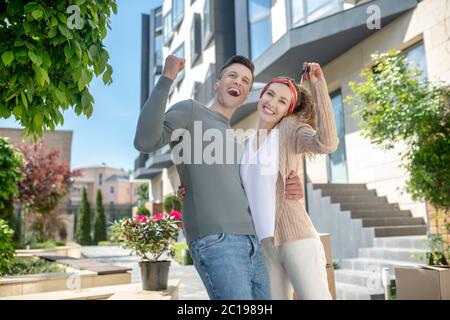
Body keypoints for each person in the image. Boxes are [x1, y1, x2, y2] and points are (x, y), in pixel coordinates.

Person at [133, 54, 303, 300]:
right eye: (232, 76)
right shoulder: (190, 110)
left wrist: (290, 185)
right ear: (217, 83)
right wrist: (167, 78)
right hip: (218, 241)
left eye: (246, 81)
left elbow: (253, 187)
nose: (239, 83)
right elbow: (145, 141)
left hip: (256, 244)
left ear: (246, 94)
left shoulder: (237, 140)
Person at [179, 62, 338, 300]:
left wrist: (318, 87)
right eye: (270, 95)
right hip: (262, 248)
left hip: (295, 237)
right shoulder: (247, 142)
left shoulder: (289, 129)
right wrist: (190, 189)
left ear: (287, 111)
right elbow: (227, 183)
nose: (273, 103)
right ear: (261, 96)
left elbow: (326, 143)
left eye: (282, 102)